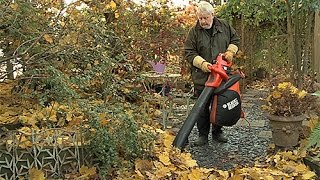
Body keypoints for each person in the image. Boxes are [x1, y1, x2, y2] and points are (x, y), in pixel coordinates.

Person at [184, 1, 240, 146]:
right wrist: (202, 64)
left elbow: (235, 39)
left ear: (212, 15)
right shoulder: (194, 32)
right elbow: (189, 52)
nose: (203, 21)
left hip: (221, 74)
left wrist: (230, 52)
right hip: (202, 76)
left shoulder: (225, 26)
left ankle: (217, 132)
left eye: (205, 18)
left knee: (219, 104)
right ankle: (203, 135)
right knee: (202, 107)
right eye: (200, 18)